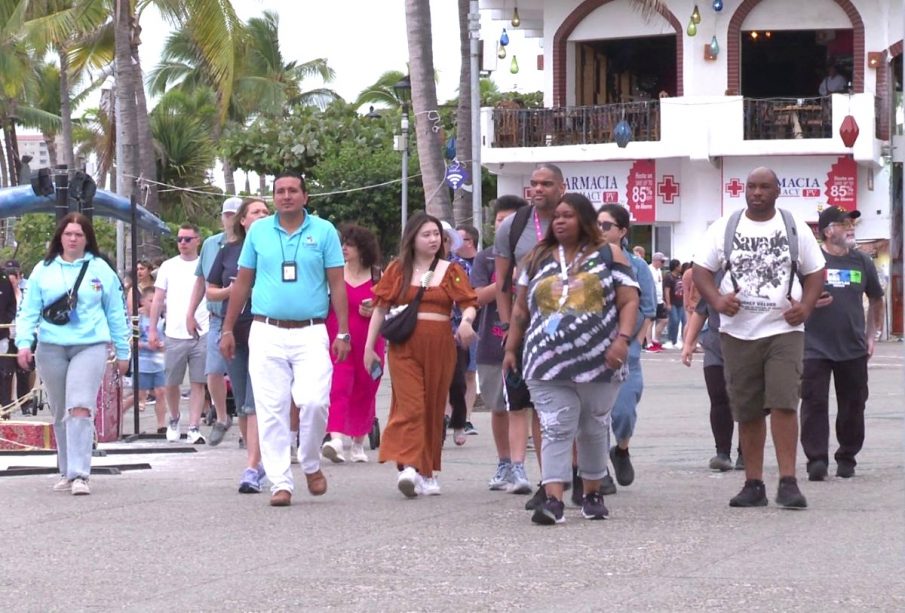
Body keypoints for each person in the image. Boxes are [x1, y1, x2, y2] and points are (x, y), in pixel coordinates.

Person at [503, 193, 639, 525]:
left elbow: (629, 301)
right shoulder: (536, 257)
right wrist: (511, 348)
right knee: (555, 425)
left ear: (584, 220)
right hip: (545, 360)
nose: (560, 221)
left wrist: (622, 340)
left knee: (593, 428)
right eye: (557, 216)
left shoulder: (609, 253)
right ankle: (553, 500)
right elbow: (521, 308)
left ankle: (592, 493)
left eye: (568, 216)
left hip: (600, 361)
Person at [693, 166, 825, 509]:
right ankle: (753, 483)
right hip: (738, 332)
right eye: (751, 186)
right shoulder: (726, 226)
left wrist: (807, 306)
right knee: (748, 409)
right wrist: (718, 301)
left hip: (784, 328)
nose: (757, 192)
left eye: (764, 187)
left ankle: (788, 482)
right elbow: (701, 270)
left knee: (784, 402)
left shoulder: (793, 226)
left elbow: (815, 271)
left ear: (777, 191)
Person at [221, 171, 350, 507]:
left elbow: (337, 284)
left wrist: (343, 331)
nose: (286, 196)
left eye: (293, 190)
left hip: (311, 330)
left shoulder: (323, 231)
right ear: (274, 196)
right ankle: (280, 482)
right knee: (271, 409)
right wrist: (227, 329)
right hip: (266, 330)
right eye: (280, 191)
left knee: (314, 402)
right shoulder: (259, 232)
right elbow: (242, 282)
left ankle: (310, 463)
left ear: (305, 196)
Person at [363, 212, 477, 498]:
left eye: (436, 234)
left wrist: (466, 322)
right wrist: (369, 347)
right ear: (412, 238)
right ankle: (409, 466)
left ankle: (427, 471)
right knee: (411, 405)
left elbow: (468, 303)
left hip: (440, 345)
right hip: (405, 346)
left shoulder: (450, 270)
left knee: (433, 408)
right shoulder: (397, 270)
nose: (433, 239)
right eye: (426, 234)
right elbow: (380, 307)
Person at [15, 213, 130, 496]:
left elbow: (116, 312)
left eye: (79, 234)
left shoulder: (101, 268)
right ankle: (66, 470)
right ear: (60, 237)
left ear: (87, 238)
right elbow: (29, 310)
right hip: (51, 346)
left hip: (90, 345)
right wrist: (23, 343)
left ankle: (81, 473)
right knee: (60, 409)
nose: (74, 239)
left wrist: (123, 350)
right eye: (68, 234)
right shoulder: (44, 269)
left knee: (80, 406)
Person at [494, 163, 566, 507]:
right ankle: (545, 480)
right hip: (527, 330)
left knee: (566, 407)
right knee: (532, 402)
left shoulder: (574, 220)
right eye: (534, 184)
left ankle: (580, 474)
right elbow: (502, 284)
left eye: (546, 184)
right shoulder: (513, 226)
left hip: (571, 329)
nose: (538, 189)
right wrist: (509, 328)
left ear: (561, 188)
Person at [800, 206, 884, 481]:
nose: (851, 227)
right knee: (814, 403)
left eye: (852, 222)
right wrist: (807, 303)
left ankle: (847, 456)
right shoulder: (811, 262)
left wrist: (873, 335)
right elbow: (791, 298)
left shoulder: (862, 262)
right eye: (844, 222)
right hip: (814, 346)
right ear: (827, 231)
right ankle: (816, 460)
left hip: (852, 347)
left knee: (853, 404)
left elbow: (876, 298)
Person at [594, 204, 657, 496]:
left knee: (623, 412)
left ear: (622, 231)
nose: (601, 230)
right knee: (594, 414)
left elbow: (647, 308)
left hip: (626, 349)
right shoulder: (587, 262)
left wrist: (635, 341)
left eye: (607, 225)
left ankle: (621, 449)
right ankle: (598, 471)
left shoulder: (638, 266)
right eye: (597, 224)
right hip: (592, 349)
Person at [208, 197, 270, 492]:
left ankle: (252, 466)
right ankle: (255, 461)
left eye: (265, 212)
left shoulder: (273, 249)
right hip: (233, 331)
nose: (261, 215)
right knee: (244, 404)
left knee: (255, 403)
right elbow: (210, 290)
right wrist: (232, 291)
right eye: (255, 212)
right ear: (243, 220)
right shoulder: (228, 251)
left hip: (265, 330)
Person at [470, 195, 527, 491]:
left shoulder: (537, 253)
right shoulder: (486, 258)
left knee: (523, 407)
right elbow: (476, 297)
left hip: (531, 343)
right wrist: (506, 279)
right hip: (493, 344)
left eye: (511, 221)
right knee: (498, 406)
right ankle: (504, 461)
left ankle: (521, 467)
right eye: (499, 221)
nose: (504, 226)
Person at [320, 223, 384, 465]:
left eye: (350, 244)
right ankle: (335, 439)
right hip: (339, 339)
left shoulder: (379, 275)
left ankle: (358, 442)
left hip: (370, 341)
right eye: (343, 244)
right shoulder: (334, 272)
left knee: (366, 389)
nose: (344, 248)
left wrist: (376, 308)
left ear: (363, 248)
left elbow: (390, 307)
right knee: (338, 386)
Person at [148, 223, 210, 445]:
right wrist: (153, 329)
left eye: (188, 239)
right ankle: (174, 418)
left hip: (202, 332)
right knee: (172, 382)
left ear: (197, 241)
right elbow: (157, 299)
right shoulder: (168, 266)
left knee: (198, 382)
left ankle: (194, 426)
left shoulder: (206, 263)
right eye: (180, 239)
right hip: (174, 332)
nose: (183, 243)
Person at [188, 197, 241, 446]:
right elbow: (201, 280)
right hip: (217, 317)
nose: (230, 219)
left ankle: (245, 423)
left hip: (244, 317)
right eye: (227, 214)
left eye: (235, 214)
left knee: (242, 373)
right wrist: (190, 312)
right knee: (213, 371)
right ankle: (222, 417)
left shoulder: (248, 243)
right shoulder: (211, 244)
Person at [681, 298, 743, 471]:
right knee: (718, 398)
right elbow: (700, 312)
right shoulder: (711, 278)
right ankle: (722, 453)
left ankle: (745, 453)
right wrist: (688, 344)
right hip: (716, 348)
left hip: (747, 348)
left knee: (746, 402)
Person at [441, 220, 470, 446]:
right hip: (430, 333)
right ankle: (437, 421)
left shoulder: (459, 266)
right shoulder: (422, 269)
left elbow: (467, 298)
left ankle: (459, 423)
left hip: (455, 334)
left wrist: (461, 324)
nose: (437, 243)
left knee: (457, 382)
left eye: (443, 238)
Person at [455, 224, 481, 436]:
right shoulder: (450, 265)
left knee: (470, 372)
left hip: (476, 324)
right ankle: (450, 417)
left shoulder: (483, 262)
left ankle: (466, 419)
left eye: (457, 239)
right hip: (450, 322)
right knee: (451, 373)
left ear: (469, 241)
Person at [134, 286, 168, 429]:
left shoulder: (163, 320)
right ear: (142, 301)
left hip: (159, 362)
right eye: (150, 300)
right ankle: (120, 415)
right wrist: (146, 345)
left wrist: (162, 345)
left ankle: (161, 425)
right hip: (142, 362)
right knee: (139, 394)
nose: (154, 304)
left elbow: (168, 339)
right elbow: (131, 341)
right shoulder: (138, 320)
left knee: (161, 392)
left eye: (156, 301)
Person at [0, 264, 19, 418]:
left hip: (2, 334)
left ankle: (5, 407)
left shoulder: (4, 280)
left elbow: (12, 305)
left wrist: (5, 320)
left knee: (5, 372)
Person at [647, 252, 667, 352]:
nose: (663, 264)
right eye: (662, 261)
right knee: (650, 322)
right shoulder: (649, 269)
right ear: (656, 261)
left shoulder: (658, 270)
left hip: (659, 299)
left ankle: (655, 340)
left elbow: (659, 286)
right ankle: (649, 343)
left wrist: (662, 299)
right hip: (651, 299)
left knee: (664, 320)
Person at [663, 258, 685, 348]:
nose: (680, 267)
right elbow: (667, 291)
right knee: (674, 320)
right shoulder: (668, 277)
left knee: (680, 321)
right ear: (675, 267)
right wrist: (668, 303)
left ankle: (675, 340)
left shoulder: (680, 276)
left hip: (680, 302)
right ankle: (670, 339)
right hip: (672, 302)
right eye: (679, 265)